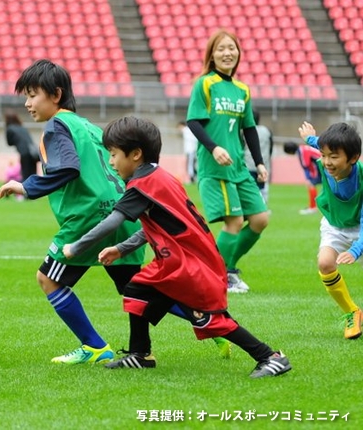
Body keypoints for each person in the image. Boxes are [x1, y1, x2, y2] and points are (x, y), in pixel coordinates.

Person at [0, 60, 230, 364]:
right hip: (123, 210)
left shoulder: (56, 127)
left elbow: (68, 167)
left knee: (49, 279)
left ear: (55, 94)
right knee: (136, 287)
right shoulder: (90, 127)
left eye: (32, 95)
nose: (27, 103)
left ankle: (94, 346)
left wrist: (26, 187)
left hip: (88, 217)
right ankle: (212, 322)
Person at [62, 116, 291, 378]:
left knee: (208, 317)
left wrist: (76, 247)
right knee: (136, 290)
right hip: (177, 260)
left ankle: (269, 356)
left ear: (135, 154)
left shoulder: (142, 186)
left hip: (189, 263)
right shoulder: (160, 177)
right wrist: (122, 249)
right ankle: (140, 354)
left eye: (113, 155)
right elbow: (158, 227)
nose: (111, 162)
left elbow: (113, 221)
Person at [186, 29, 269, 294]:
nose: (226, 53)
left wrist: (259, 162)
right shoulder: (205, 84)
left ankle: (228, 268)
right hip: (215, 166)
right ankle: (217, 275)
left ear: (238, 53)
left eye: (231, 48)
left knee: (260, 219)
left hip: (239, 167)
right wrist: (213, 148)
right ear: (212, 55)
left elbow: (250, 129)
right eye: (221, 48)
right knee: (233, 222)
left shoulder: (242, 90)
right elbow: (193, 121)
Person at [298, 121, 363, 340]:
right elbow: (324, 145)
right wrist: (310, 139)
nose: (327, 162)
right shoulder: (329, 158)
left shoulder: (360, 178)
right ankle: (351, 312)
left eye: (334, 157)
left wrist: (355, 251)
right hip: (335, 225)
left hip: (360, 227)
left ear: (353, 158)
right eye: (324, 155)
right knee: (325, 264)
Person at [283, 141, 322, 215]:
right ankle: (313, 207)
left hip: (322, 166)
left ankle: (313, 207)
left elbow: (306, 165)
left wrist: (308, 178)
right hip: (322, 165)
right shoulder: (303, 148)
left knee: (311, 184)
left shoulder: (302, 151)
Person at [244, 110, 273, 204]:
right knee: (263, 187)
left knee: (249, 187)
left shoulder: (244, 131)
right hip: (263, 163)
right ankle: (263, 206)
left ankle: (252, 207)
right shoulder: (267, 130)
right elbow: (271, 146)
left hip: (248, 163)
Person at [5, 111, 39, 181]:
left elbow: (9, 143)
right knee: (33, 175)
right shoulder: (22, 128)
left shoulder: (10, 129)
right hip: (33, 153)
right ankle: (34, 190)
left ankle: (16, 187)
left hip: (24, 153)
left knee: (25, 175)